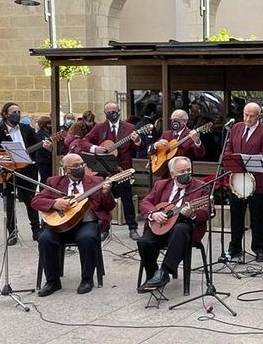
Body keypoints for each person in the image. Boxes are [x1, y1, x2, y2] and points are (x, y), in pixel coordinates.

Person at [32, 154, 114, 296]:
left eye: (82, 164)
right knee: (45, 238)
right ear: (66, 170)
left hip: (86, 222)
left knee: (87, 238)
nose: (81, 167)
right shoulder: (54, 182)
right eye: (76, 166)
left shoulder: (97, 181)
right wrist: (54, 203)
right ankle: (53, 281)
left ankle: (87, 279)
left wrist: (107, 193)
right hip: (60, 224)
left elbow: (109, 206)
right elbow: (36, 201)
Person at [137, 156, 211, 292]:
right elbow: (144, 203)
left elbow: (209, 211)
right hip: (162, 226)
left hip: (185, 230)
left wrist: (193, 214)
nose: (187, 174)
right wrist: (154, 213)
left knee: (180, 229)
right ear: (173, 174)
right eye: (182, 171)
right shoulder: (161, 185)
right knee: (143, 242)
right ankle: (153, 276)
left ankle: (164, 272)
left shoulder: (201, 188)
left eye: (189, 170)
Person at [0, 102, 47, 244]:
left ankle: (36, 231)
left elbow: (38, 145)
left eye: (19, 112)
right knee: (9, 203)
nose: (17, 115)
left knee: (30, 201)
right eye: (14, 112)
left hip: (27, 170)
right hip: (7, 171)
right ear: (5, 114)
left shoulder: (27, 129)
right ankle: (12, 233)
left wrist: (47, 146)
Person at [76, 101, 142, 240]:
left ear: (119, 111)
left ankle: (132, 228)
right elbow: (83, 142)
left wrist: (137, 141)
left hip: (122, 169)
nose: (112, 114)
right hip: (103, 170)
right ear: (105, 113)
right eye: (109, 112)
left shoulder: (130, 128)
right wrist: (94, 148)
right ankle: (104, 228)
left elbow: (137, 150)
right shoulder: (100, 128)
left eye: (115, 111)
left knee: (126, 197)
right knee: (102, 198)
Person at [225, 102, 263, 262]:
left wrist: (245, 159)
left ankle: (260, 249)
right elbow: (228, 149)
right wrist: (232, 158)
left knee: (257, 217)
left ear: (258, 116)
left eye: (251, 116)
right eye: (245, 114)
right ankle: (235, 248)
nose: (247, 118)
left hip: (256, 182)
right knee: (236, 215)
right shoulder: (236, 128)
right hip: (237, 180)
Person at [150, 109, 206, 173]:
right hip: (165, 173)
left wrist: (197, 142)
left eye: (176, 120)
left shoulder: (191, 135)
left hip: (182, 173)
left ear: (184, 121)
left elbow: (200, 154)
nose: (173, 122)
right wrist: (155, 145)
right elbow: (151, 152)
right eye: (172, 120)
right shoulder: (166, 134)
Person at [34, 115, 53, 182]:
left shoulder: (51, 133)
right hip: (43, 160)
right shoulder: (39, 134)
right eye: (48, 124)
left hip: (50, 159)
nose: (50, 125)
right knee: (44, 179)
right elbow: (39, 148)